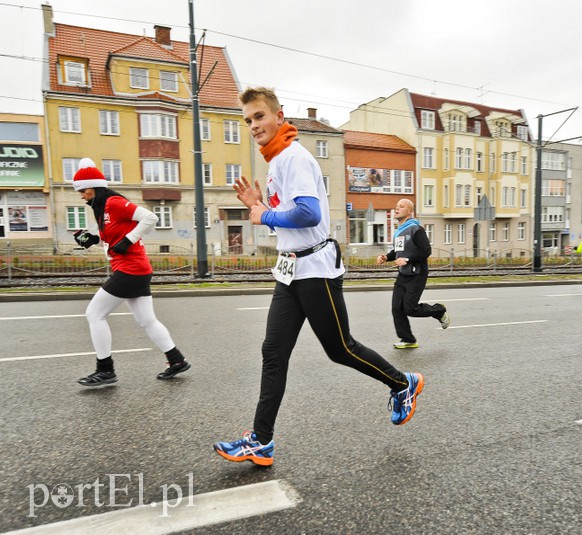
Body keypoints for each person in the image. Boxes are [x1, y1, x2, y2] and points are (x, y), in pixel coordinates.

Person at [213, 87, 424, 467]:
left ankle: (401, 383)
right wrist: (262, 206)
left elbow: (309, 214)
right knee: (272, 352)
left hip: (315, 268)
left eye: (259, 117)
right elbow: (291, 213)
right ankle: (261, 440)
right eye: (247, 121)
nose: (253, 126)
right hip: (290, 269)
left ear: (279, 116)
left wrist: (264, 215)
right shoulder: (277, 159)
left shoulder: (293, 157)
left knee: (339, 347)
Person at [70, 158, 191, 386]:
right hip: (136, 269)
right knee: (147, 320)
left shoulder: (113, 202)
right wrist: (93, 240)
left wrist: (128, 240)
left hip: (130, 269)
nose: (82, 196)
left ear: (94, 187)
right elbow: (112, 242)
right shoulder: (102, 210)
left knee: (94, 314)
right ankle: (177, 360)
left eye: (84, 191)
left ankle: (105, 370)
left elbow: (150, 217)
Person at [377, 199, 449, 349]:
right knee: (397, 308)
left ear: (410, 211)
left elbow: (426, 251)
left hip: (417, 274)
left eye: (401, 207)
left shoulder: (416, 229)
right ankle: (408, 339)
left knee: (410, 309)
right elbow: (397, 252)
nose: (397, 209)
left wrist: (408, 259)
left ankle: (439, 311)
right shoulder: (399, 231)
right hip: (403, 274)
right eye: (396, 206)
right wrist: (386, 257)